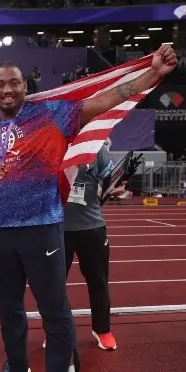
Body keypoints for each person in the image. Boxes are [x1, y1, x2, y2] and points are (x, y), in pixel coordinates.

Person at [0, 45, 177, 372]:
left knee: (54, 308)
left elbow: (107, 99)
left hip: (42, 228)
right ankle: (17, 365)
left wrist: (154, 74)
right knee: (8, 306)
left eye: (14, 83)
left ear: (26, 86)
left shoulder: (53, 114)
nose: (6, 90)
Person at [51, 145, 117, 351]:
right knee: (53, 286)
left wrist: (112, 185)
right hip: (58, 228)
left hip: (92, 227)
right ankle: (55, 333)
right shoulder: (54, 144)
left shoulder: (97, 147)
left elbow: (110, 178)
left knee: (98, 282)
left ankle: (103, 329)